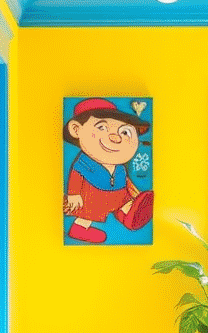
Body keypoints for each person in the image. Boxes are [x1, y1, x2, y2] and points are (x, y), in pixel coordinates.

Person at [63, 97, 154, 244]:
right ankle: (78, 229)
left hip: (117, 195)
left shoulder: (120, 167)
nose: (116, 137)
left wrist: (134, 193)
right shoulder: (83, 163)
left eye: (125, 132)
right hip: (94, 197)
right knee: (89, 214)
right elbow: (76, 175)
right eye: (101, 127)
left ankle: (130, 216)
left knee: (124, 204)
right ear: (76, 130)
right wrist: (73, 194)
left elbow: (126, 181)